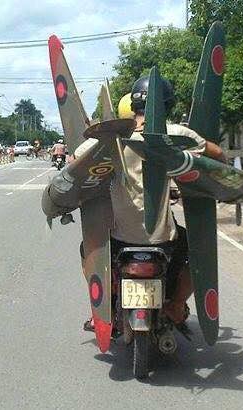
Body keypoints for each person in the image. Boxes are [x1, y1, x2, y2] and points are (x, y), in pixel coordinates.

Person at [84, 76, 226, 331]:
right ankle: (176, 304)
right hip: (163, 239)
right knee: (199, 254)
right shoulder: (177, 134)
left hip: (120, 237)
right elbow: (218, 155)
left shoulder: (111, 136)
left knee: (88, 249)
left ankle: (105, 304)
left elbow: (76, 160)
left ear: (132, 104)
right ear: (167, 105)